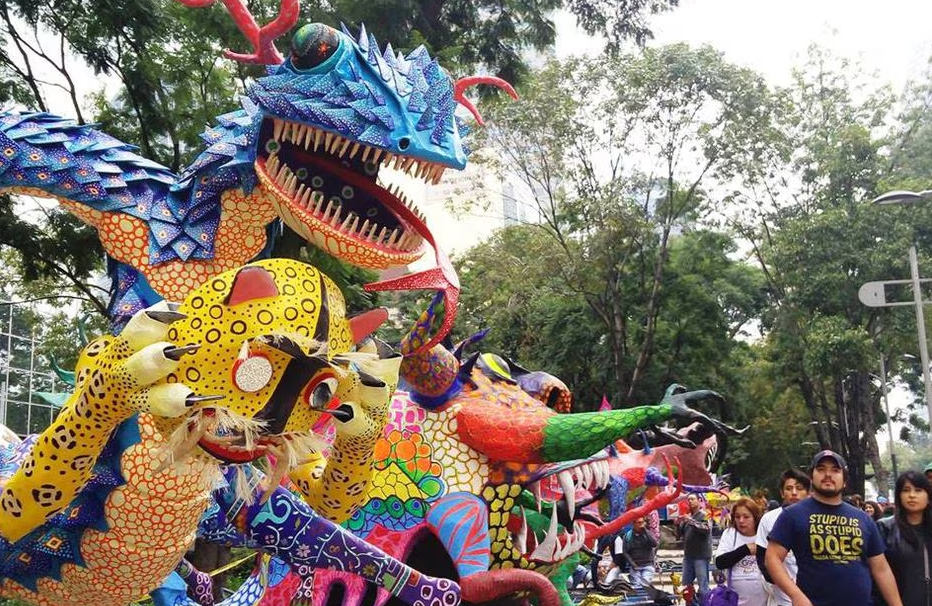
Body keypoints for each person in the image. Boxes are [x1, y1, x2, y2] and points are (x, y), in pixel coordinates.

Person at [765, 450, 904, 606]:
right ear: (811, 477)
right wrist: (795, 595)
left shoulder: (863, 519)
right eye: (821, 469)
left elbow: (881, 569)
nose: (828, 474)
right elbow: (772, 558)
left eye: (835, 470)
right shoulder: (793, 515)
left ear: (844, 481)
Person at [755, 468, 810, 606]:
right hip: (782, 597)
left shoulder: (817, 518)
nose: (794, 493)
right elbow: (762, 558)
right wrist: (781, 582)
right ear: (781, 492)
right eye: (789, 488)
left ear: (808, 492)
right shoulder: (769, 519)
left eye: (799, 488)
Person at [878, 470, 932, 606]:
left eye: (918, 490)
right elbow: (877, 573)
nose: (912, 495)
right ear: (899, 496)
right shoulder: (885, 528)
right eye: (906, 490)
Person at [713, 497, 768, 606]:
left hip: (765, 599)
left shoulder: (764, 534)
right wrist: (744, 550)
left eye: (746, 517)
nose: (741, 521)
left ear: (755, 518)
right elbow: (720, 562)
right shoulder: (730, 534)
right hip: (736, 600)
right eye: (737, 517)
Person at [677, 493, 712, 605]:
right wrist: (678, 524)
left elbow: (706, 529)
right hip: (688, 555)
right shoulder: (688, 516)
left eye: (692, 499)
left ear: (699, 500)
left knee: (703, 586)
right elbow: (679, 535)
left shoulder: (705, 514)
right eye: (688, 500)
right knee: (686, 585)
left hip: (701, 556)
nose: (690, 501)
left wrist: (690, 521)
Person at [621, 516, 658, 588]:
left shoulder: (647, 534)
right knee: (636, 585)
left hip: (648, 565)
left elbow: (654, 544)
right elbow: (625, 552)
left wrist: (645, 531)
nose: (641, 525)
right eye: (639, 523)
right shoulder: (628, 536)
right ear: (634, 524)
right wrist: (633, 564)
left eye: (642, 522)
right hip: (635, 566)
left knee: (645, 584)